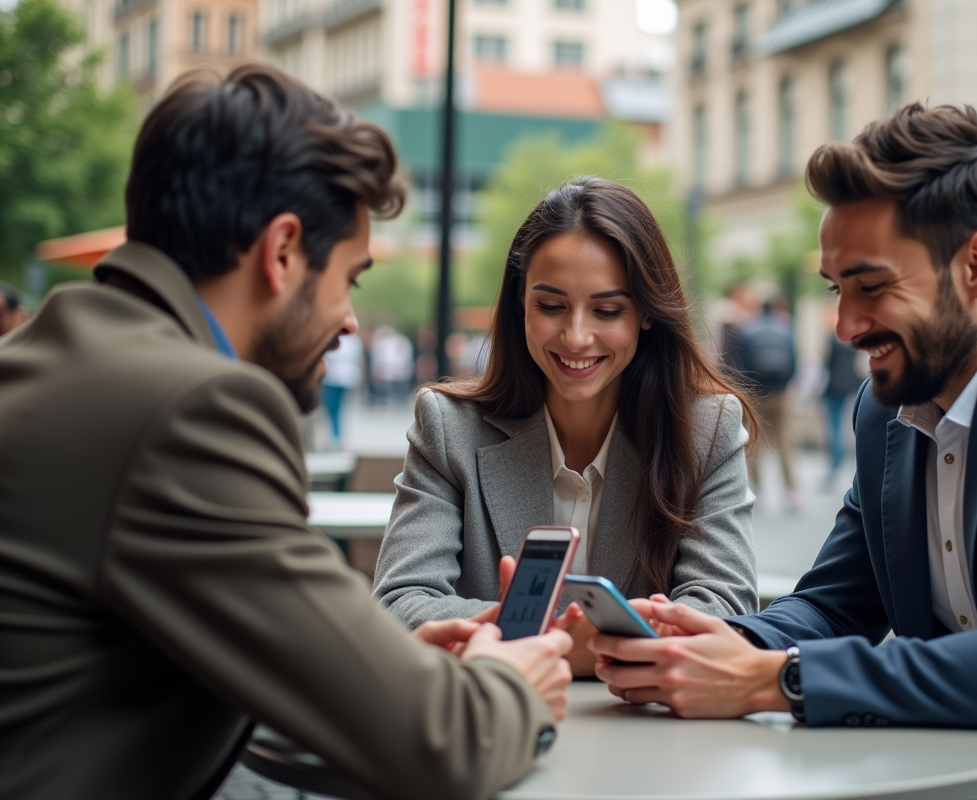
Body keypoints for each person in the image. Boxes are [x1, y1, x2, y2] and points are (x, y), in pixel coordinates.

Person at [588, 103, 977, 798]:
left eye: (872, 286)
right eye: (836, 288)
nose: (845, 326)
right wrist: (720, 644)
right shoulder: (886, 410)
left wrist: (777, 679)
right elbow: (832, 605)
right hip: (963, 773)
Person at [0, 66, 573, 800]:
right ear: (281, 252)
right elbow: (445, 746)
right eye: (349, 279)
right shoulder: (192, 407)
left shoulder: (46, 354)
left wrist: (370, 671)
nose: (350, 321)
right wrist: (506, 683)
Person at [374, 177, 761, 676]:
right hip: (497, 726)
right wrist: (588, 637)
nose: (577, 336)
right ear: (521, 304)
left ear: (646, 312)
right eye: (551, 306)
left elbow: (724, 614)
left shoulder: (707, 429)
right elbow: (401, 604)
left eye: (607, 310)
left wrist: (522, 631)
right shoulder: (449, 427)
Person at [740, 295, 801, 508]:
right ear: (774, 309)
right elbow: (795, 360)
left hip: (757, 395)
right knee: (785, 443)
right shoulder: (786, 328)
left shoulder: (748, 330)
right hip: (781, 393)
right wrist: (788, 384)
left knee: (754, 443)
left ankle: (758, 490)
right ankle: (792, 492)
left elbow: (743, 363)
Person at [821, 314, 864, 487]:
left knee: (835, 426)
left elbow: (827, 365)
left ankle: (835, 466)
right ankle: (849, 466)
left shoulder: (833, 339)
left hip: (834, 386)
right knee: (851, 426)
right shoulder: (854, 340)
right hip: (852, 384)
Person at [321, 330, 363, 448]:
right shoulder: (354, 341)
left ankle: (335, 436)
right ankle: (337, 436)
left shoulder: (333, 338)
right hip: (342, 378)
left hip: (336, 378)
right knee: (337, 408)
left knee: (334, 408)